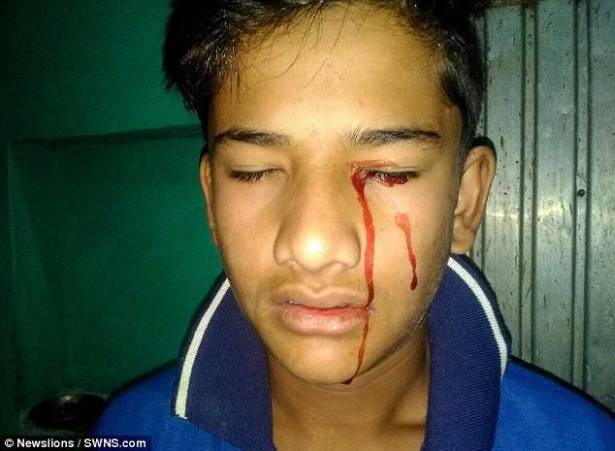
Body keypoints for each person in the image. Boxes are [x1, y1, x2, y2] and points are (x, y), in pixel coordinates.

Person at [92, 1, 615, 449]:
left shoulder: (583, 441)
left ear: (464, 201)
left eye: (389, 172)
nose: (313, 245)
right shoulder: (129, 431)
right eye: (254, 171)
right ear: (212, 201)